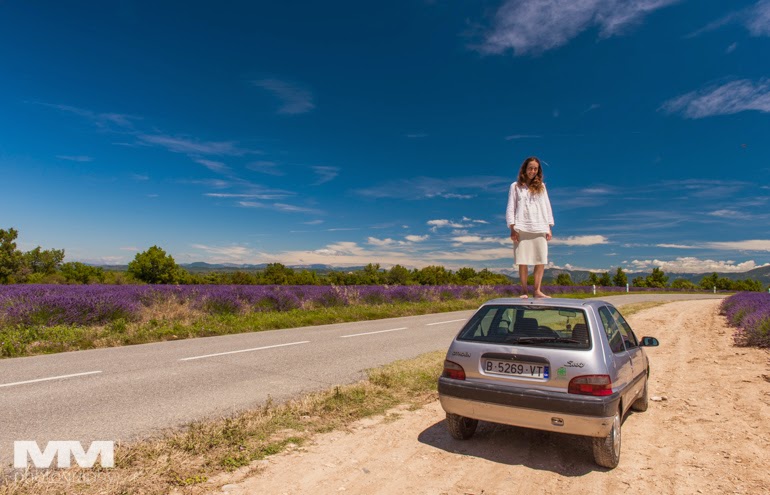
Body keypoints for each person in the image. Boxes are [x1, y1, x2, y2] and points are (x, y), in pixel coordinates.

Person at [505, 156, 554, 298]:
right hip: (522, 226)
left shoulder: (542, 187)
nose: (532, 171)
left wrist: (549, 226)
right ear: (524, 169)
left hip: (540, 226)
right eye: (530, 168)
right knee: (523, 260)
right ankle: (524, 290)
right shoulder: (515, 186)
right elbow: (511, 207)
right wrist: (512, 227)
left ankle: (537, 290)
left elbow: (547, 206)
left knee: (541, 259)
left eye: (535, 169)